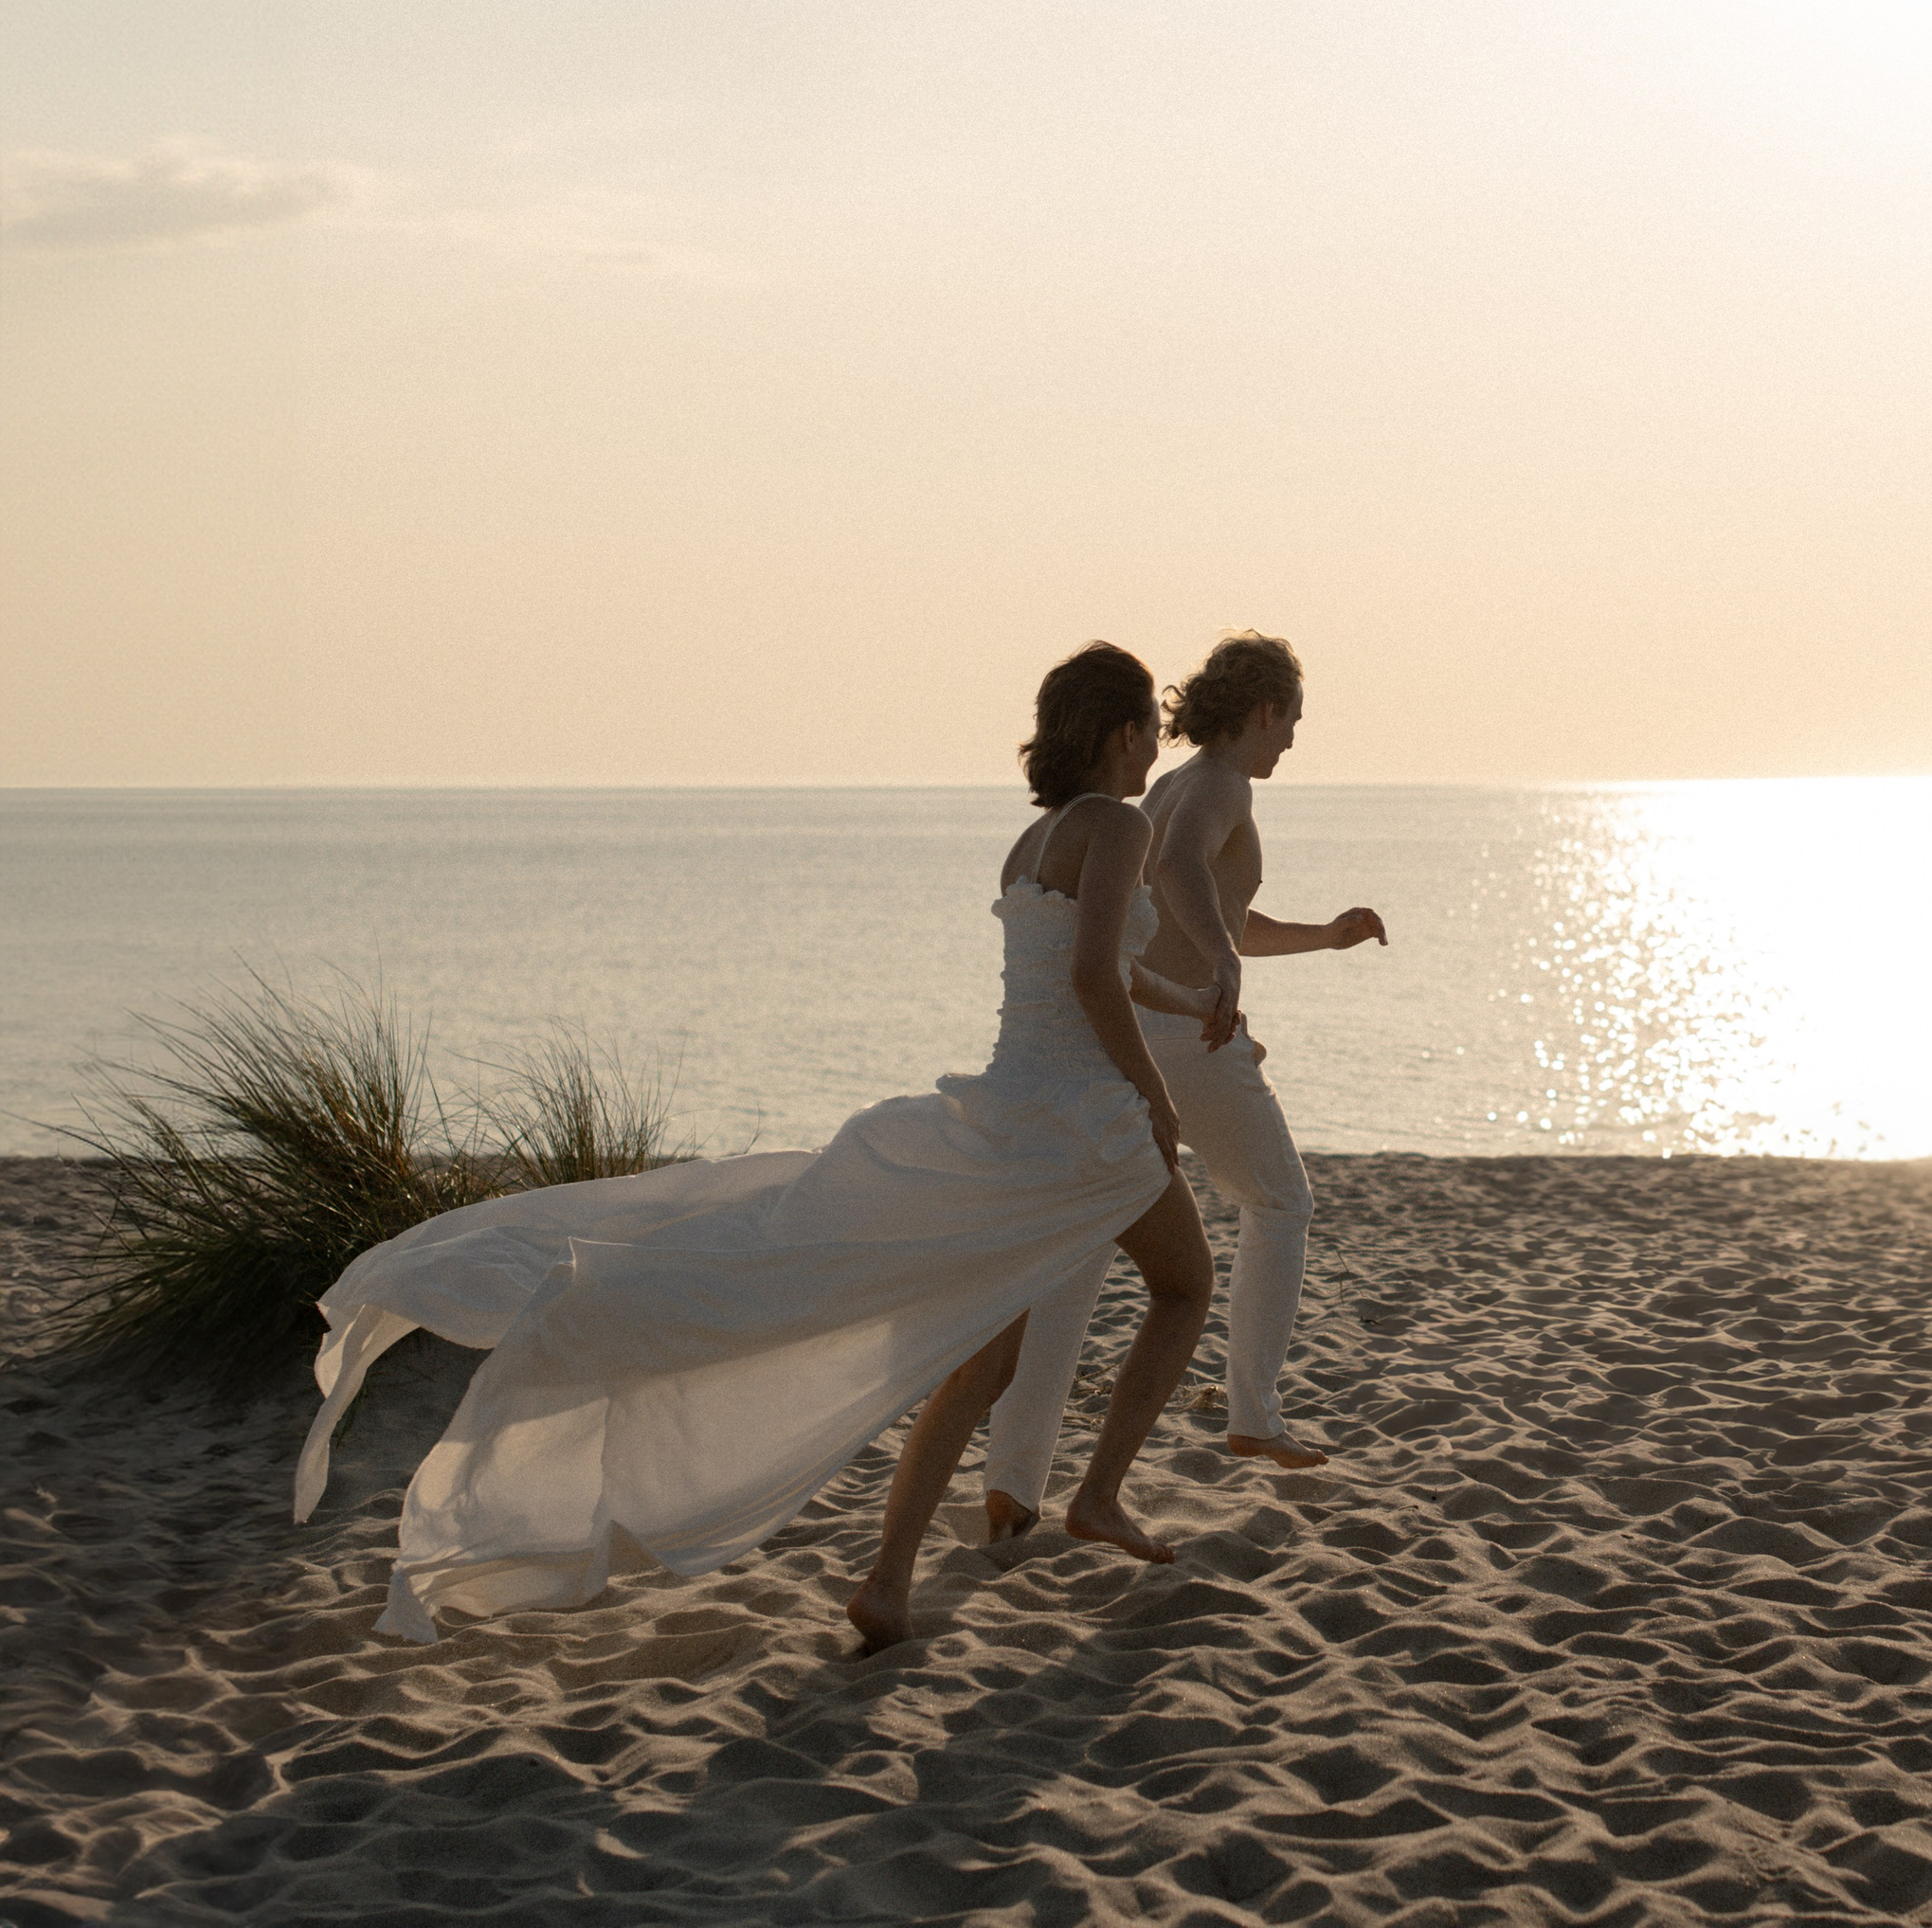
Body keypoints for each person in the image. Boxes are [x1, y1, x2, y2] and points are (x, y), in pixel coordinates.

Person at [293, 643, 1223, 1651]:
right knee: (1187, 1285)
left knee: (982, 1363)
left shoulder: (1031, 841)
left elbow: (1095, 970)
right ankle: (1098, 1493)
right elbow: (1091, 979)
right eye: (1151, 736)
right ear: (1123, 729)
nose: (1153, 759)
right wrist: (1157, 1091)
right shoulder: (1121, 824)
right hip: (1083, 1122)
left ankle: (887, 1582)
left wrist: (1186, 996)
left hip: (1005, 1113)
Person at [981, 631, 1386, 1538]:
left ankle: (1013, 1483)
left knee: (1077, 1256)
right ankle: (1254, 1413)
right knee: (1279, 1201)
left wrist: (1322, 935)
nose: (1292, 742)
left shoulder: (1169, 787)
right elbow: (1180, 879)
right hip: (1183, 1037)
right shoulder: (1220, 782)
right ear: (1263, 710)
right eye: (1292, 722)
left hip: (1133, 1029)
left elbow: (1213, 907)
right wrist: (1224, 972)